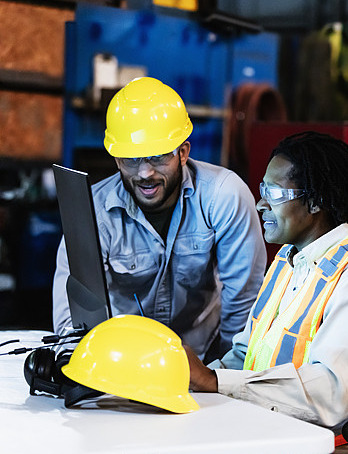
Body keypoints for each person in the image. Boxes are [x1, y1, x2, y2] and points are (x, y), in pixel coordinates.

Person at [185, 131, 348, 454]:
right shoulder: (289, 261)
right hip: (292, 437)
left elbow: (331, 393)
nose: (261, 204)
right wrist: (191, 382)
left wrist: (214, 382)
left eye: (274, 193)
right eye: (262, 190)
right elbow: (248, 356)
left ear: (316, 201)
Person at [52, 77, 267, 362]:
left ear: (183, 152)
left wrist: (224, 376)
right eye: (131, 159)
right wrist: (84, 364)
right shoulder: (94, 212)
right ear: (116, 160)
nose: (145, 173)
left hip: (205, 353)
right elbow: (74, 318)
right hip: (123, 360)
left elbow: (243, 300)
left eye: (157, 157)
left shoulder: (224, 196)